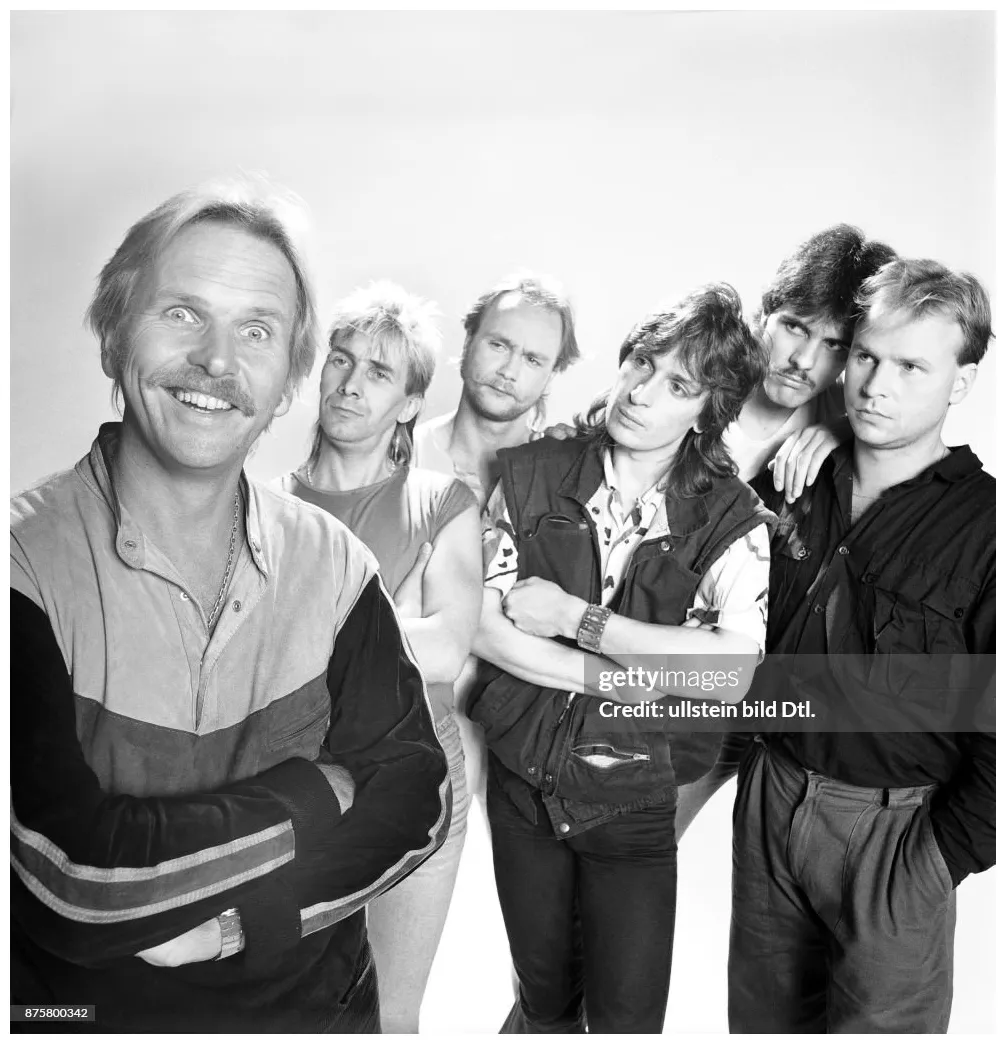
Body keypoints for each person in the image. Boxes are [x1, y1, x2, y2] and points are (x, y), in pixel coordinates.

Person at [10, 180, 450, 1033]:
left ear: (289, 377)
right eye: (182, 313)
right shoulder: (21, 567)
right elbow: (78, 881)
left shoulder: (336, 564)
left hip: (317, 1016)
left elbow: (415, 800)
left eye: (257, 330)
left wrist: (234, 926)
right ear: (112, 333)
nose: (217, 361)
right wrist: (318, 790)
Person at [468, 284, 773, 1033]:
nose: (641, 392)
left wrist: (578, 620)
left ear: (708, 411)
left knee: (626, 1022)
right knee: (542, 1005)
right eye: (641, 362)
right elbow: (485, 628)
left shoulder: (733, 521)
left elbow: (730, 673)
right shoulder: (533, 471)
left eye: (678, 385)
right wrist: (634, 676)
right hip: (522, 785)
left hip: (634, 801)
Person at [730, 258, 995, 1032]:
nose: (878, 384)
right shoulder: (794, 477)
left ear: (961, 383)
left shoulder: (986, 530)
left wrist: (939, 856)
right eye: (868, 357)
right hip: (771, 801)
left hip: (897, 835)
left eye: (913, 366)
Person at [278, 281, 482, 1032]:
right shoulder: (262, 506)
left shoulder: (442, 502)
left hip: (421, 784)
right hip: (296, 786)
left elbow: (445, 650)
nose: (351, 383)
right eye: (342, 359)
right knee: (288, 1009)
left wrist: (307, 617)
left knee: (389, 1018)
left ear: (408, 404)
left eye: (380, 373)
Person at [673, 223, 897, 837]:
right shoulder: (691, 385)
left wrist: (842, 431)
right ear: (763, 315)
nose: (804, 361)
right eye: (795, 327)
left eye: (834, 344)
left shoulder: (846, 430)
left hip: (756, 695)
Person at [413, 273, 580, 808]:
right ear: (468, 342)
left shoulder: (567, 478)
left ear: (553, 375)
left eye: (534, 359)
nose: (509, 371)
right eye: (499, 344)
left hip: (518, 756)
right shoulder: (395, 455)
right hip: (396, 736)